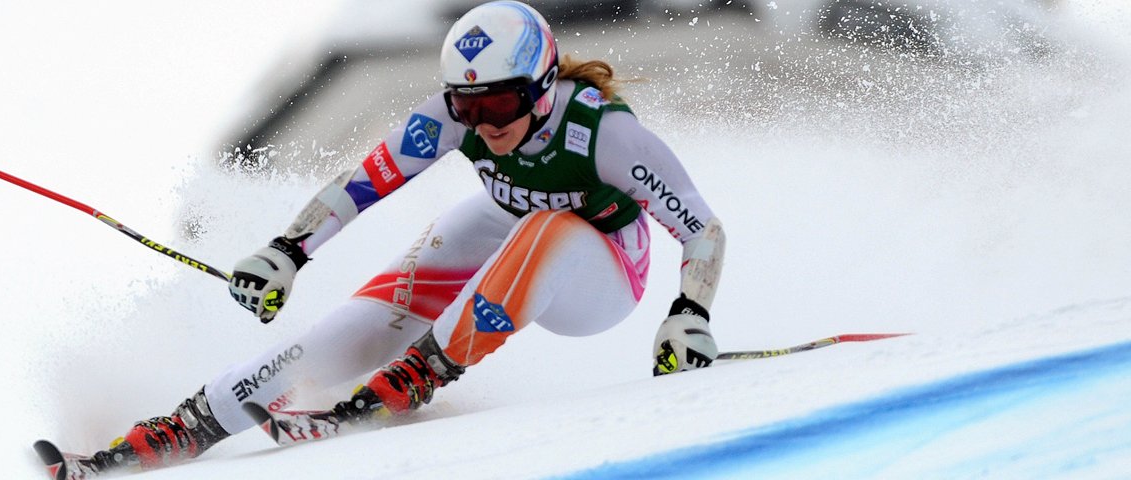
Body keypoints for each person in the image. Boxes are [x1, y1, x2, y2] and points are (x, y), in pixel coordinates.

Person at [57, 1, 725, 476]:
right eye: (469, 107)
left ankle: (408, 381)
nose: (485, 124)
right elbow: (364, 183)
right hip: (514, 237)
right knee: (416, 268)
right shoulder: (455, 119)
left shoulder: (605, 134)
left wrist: (688, 315)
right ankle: (181, 427)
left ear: (544, 86)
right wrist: (286, 253)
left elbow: (702, 228)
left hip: (602, 278)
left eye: (500, 105)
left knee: (548, 225)